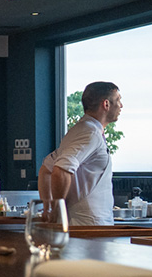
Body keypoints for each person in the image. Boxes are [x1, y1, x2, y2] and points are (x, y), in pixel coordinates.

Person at [38, 81, 122, 225]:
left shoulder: (81, 130)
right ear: (106, 104)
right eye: (118, 100)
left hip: (89, 223)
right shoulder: (90, 133)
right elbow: (60, 171)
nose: (121, 106)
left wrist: (48, 208)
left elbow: (46, 169)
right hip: (88, 226)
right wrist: (57, 210)